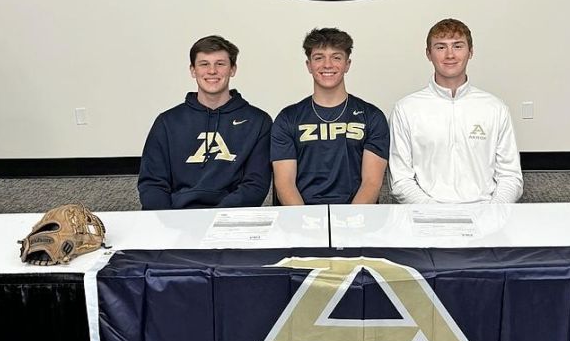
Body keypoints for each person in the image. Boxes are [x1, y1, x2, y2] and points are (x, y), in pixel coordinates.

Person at [389, 18, 523, 204]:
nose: (450, 55)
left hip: (485, 217)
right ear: (428, 54)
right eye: (441, 47)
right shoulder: (405, 109)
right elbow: (401, 180)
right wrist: (436, 215)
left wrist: (493, 215)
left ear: (471, 52)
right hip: (427, 219)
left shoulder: (495, 108)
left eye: (458, 46)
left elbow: (510, 176)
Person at [138, 35, 272, 209]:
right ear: (193, 70)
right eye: (204, 64)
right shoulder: (167, 122)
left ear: (233, 69)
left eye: (220, 64)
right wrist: (169, 220)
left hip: (231, 220)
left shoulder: (258, 121)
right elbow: (152, 183)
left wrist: (216, 220)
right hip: (177, 218)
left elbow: (255, 185)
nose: (212, 71)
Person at [271, 28, 389, 205]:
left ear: (347, 64)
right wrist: (304, 225)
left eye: (336, 57)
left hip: (357, 220)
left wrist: (350, 224)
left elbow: (371, 183)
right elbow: (284, 185)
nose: (327, 65)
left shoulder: (372, 116)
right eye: (319, 57)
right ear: (309, 65)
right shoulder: (287, 118)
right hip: (301, 218)